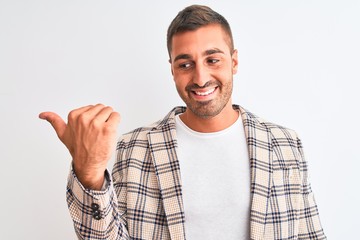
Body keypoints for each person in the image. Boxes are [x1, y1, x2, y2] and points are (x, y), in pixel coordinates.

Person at [39, 5, 326, 240]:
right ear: (173, 69)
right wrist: (89, 176)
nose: (200, 78)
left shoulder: (284, 144)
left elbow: (310, 235)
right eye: (185, 64)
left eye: (212, 60)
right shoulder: (134, 148)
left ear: (234, 62)